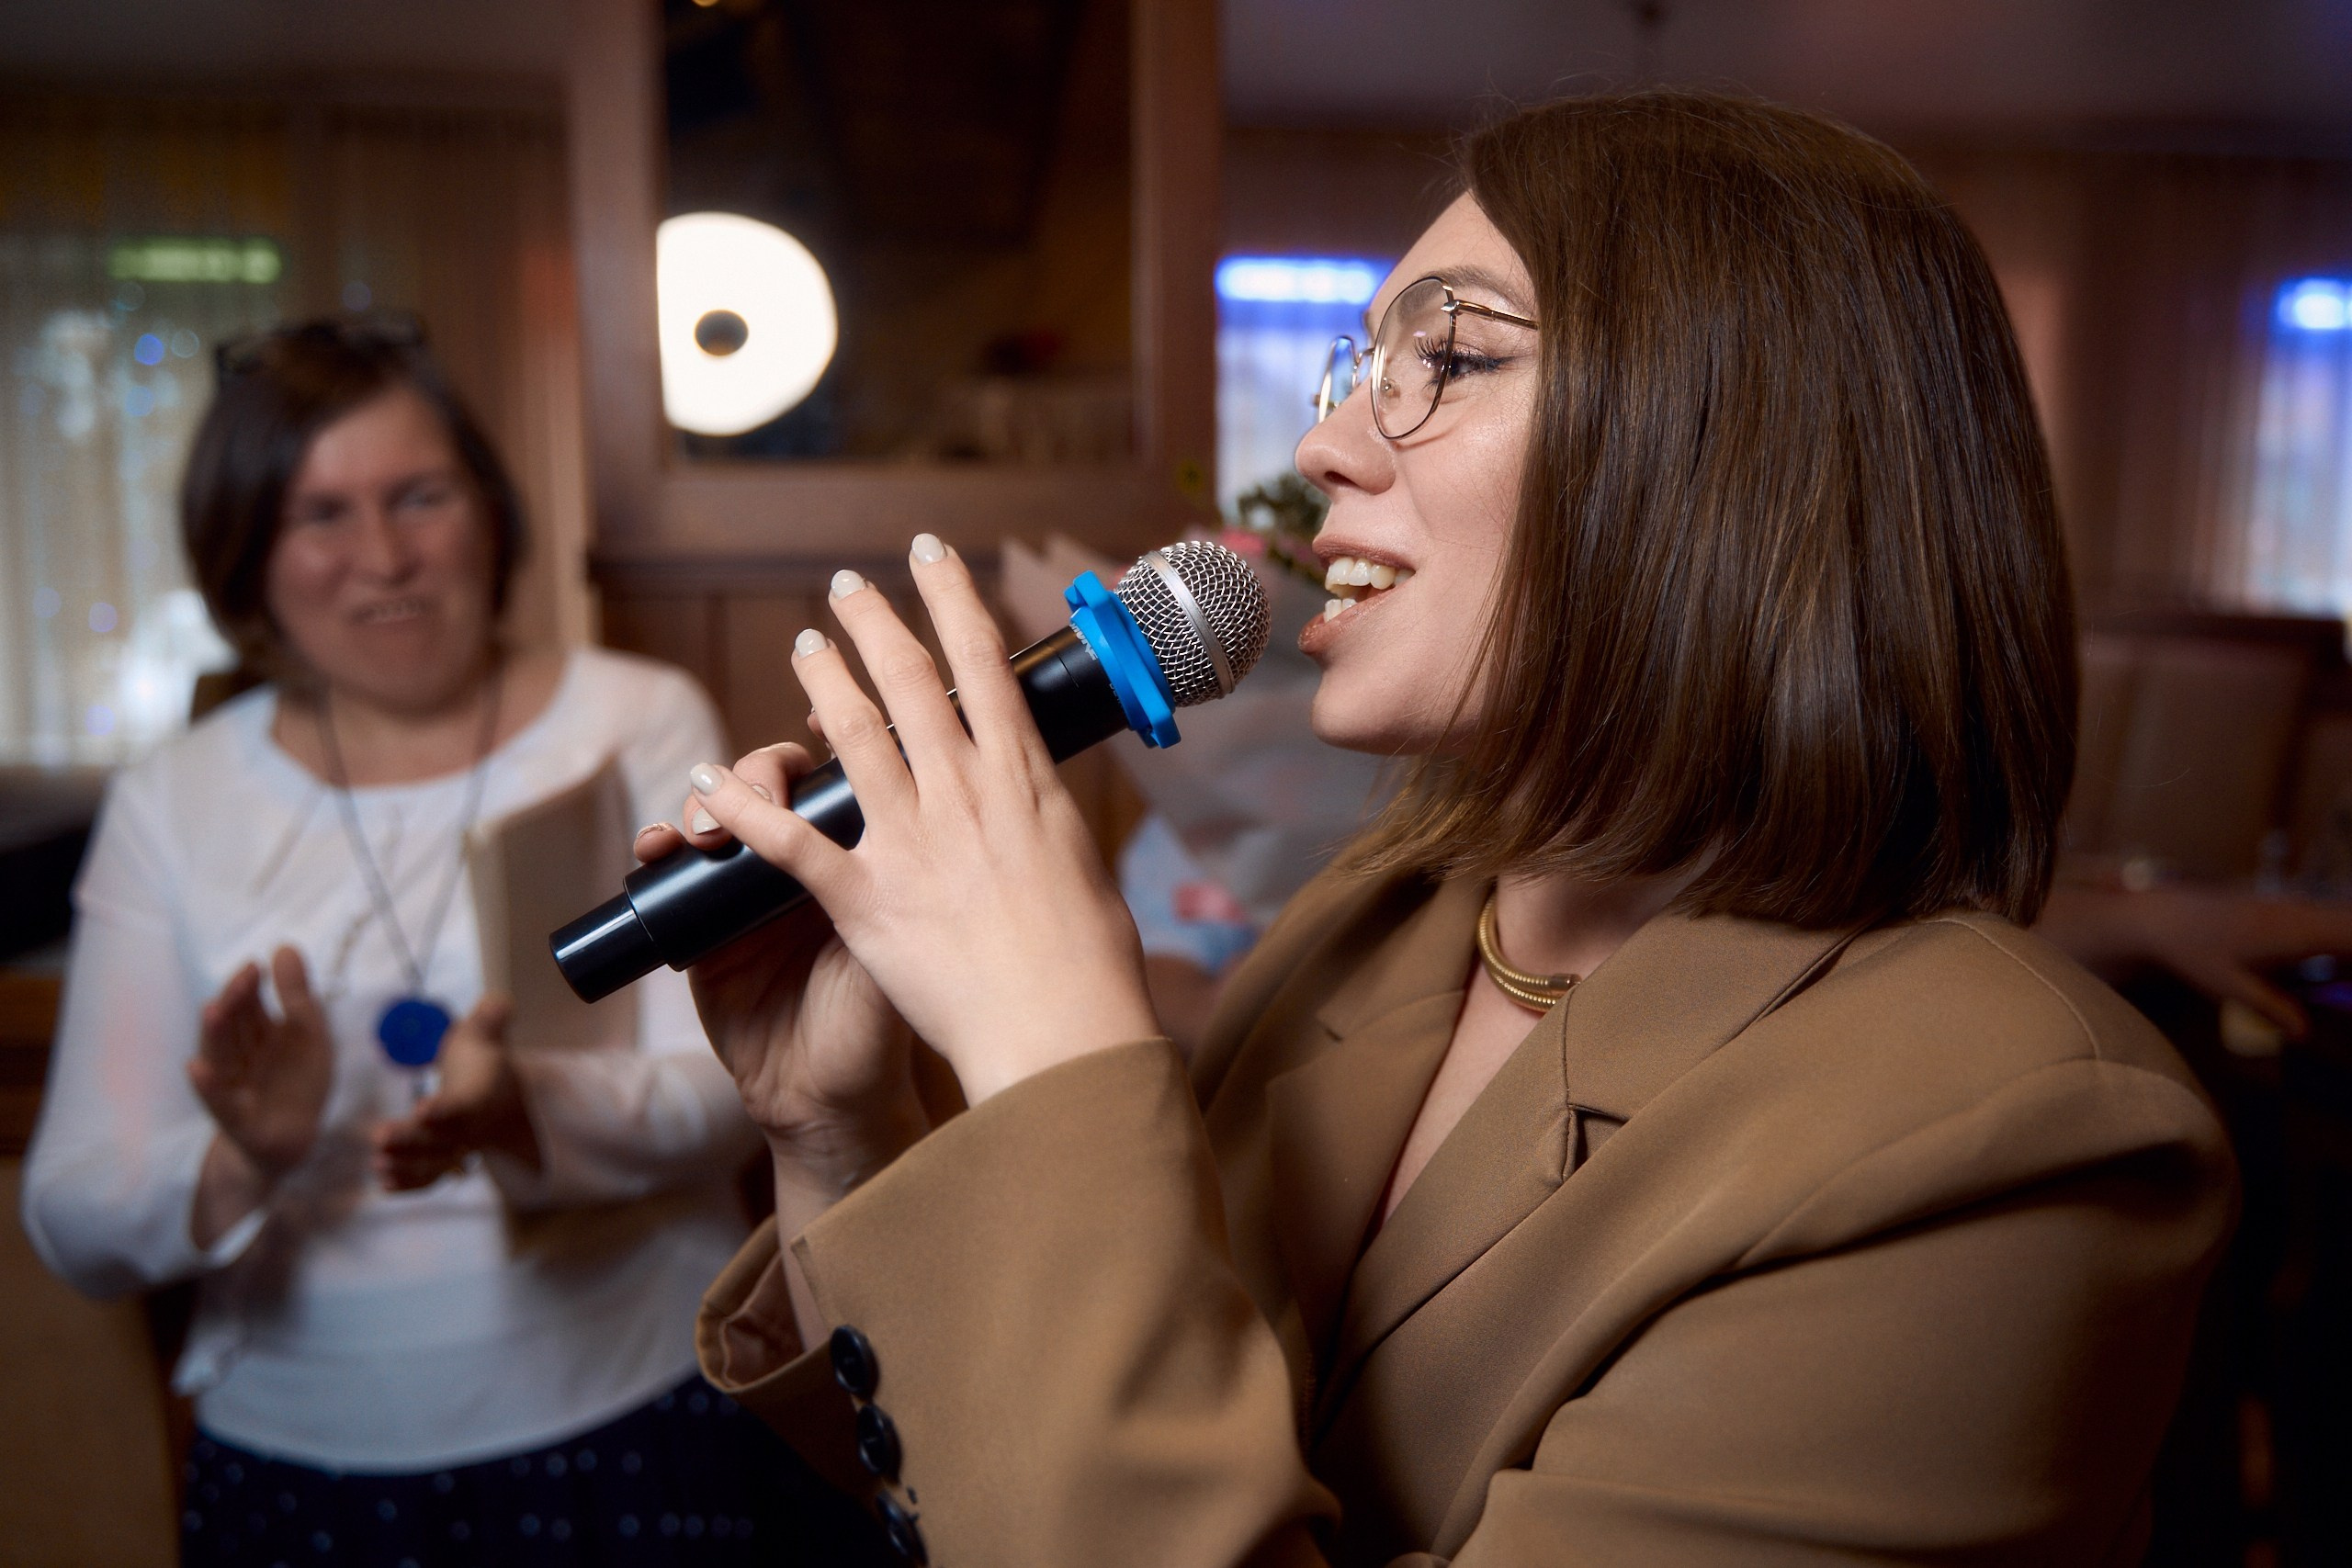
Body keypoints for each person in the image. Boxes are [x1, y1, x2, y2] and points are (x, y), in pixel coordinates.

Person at [646, 95, 2238, 1564]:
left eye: (1452, 360)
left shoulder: (2016, 1142)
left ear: (1733, 448)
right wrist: (840, 1132)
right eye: (1360, 368)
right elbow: (1004, 1486)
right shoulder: (1388, 908)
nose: (1325, 450)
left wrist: (1053, 1046)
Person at [20, 319, 885, 1565]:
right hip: (298, 1461)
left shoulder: (635, 716)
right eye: (320, 514)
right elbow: (74, 1213)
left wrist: (524, 1107)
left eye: (418, 495)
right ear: (246, 555)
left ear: (487, 511)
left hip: (635, 1406)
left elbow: (735, 1084)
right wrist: (242, 1160)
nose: (384, 556)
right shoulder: (176, 798)